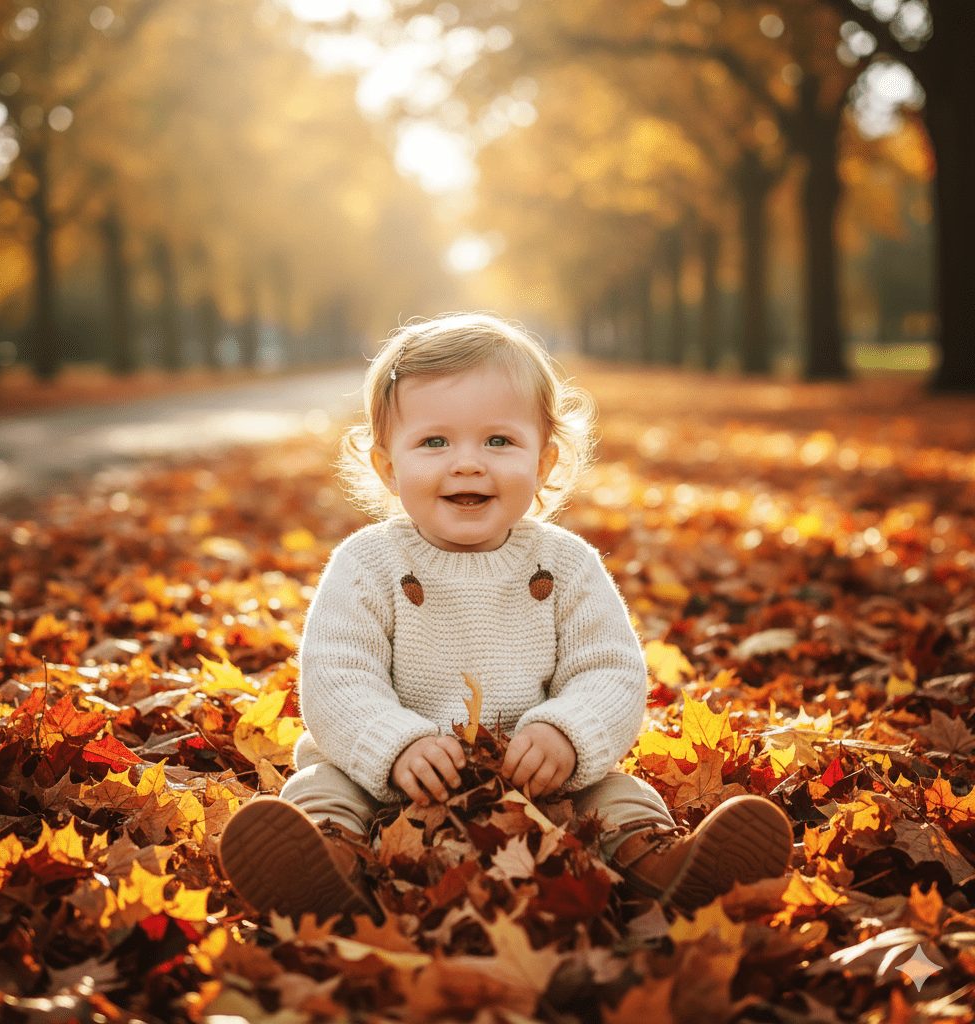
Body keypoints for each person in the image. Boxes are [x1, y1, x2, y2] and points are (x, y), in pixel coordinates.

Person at [219, 312, 793, 921]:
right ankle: (325, 868)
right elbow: (337, 678)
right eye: (434, 442)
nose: (468, 463)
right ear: (389, 467)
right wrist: (396, 745)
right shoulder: (368, 564)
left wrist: (566, 734)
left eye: (499, 441)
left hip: (540, 781)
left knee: (619, 796)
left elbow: (611, 671)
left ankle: (665, 869)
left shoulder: (566, 565)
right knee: (322, 788)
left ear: (543, 463)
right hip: (390, 781)